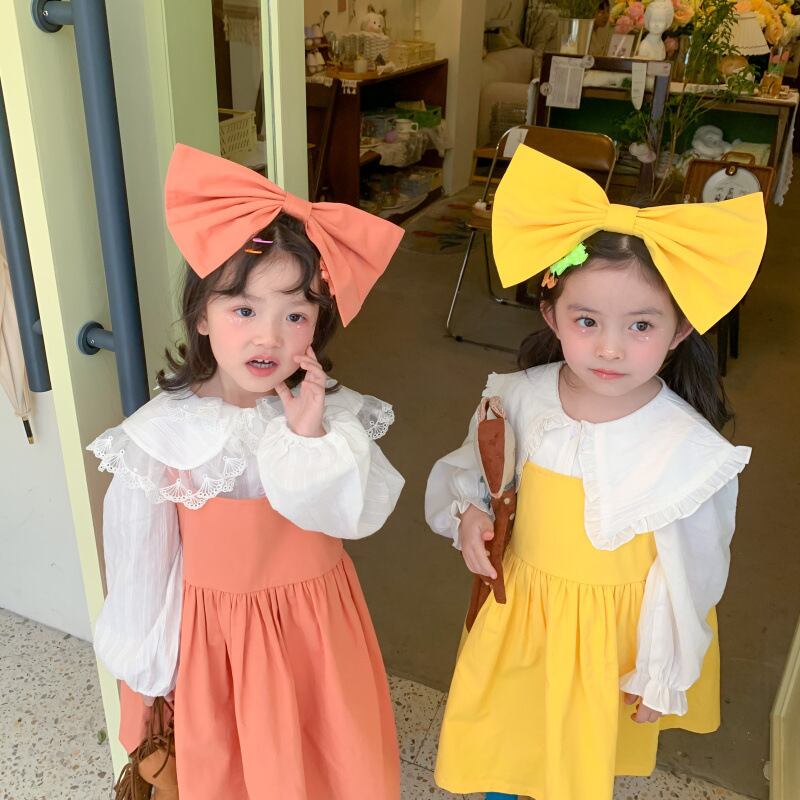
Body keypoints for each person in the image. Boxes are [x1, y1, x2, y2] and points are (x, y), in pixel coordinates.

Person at [425, 145, 767, 800]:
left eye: (640, 325)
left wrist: (663, 670)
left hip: (607, 646)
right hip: (521, 621)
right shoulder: (517, 396)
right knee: (504, 749)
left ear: (679, 330)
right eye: (587, 321)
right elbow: (474, 471)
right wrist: (467, 513)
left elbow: (692, 573)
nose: (610, 348)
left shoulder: (688, 449)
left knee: (575, 766)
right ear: (551, 315)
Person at [88, 144, 405, 799]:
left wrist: (309, 437)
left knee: (331, 763)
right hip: (218, 653)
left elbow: (354, 515)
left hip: (318, 637)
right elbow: (141, 568)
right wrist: (148, 679)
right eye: (244, 310)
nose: (269, 336)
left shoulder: (334, 418)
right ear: (202, 317)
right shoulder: (161, 438)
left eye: (295, 314)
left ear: (318, 325)